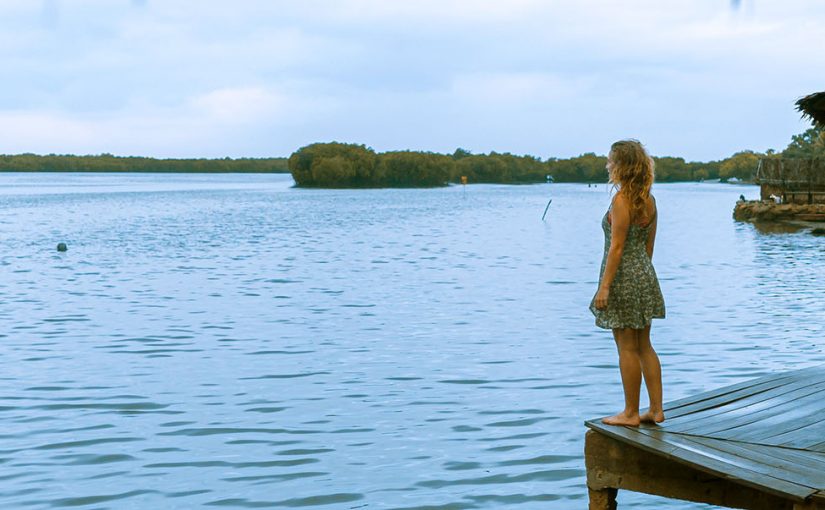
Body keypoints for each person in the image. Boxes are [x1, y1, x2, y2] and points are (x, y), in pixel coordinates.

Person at [590, 139, 666, 427]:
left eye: (611, 161)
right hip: (645, 274)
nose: (608, 165)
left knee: (626, 347)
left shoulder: (621, 200)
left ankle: (631, 413)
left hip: (622, 276)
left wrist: (605, 286)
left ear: (623, 166)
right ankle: (656, 410)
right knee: (644, 343)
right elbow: (649, 247)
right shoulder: (649, 199)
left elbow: (617, 247)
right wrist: (642, 276)